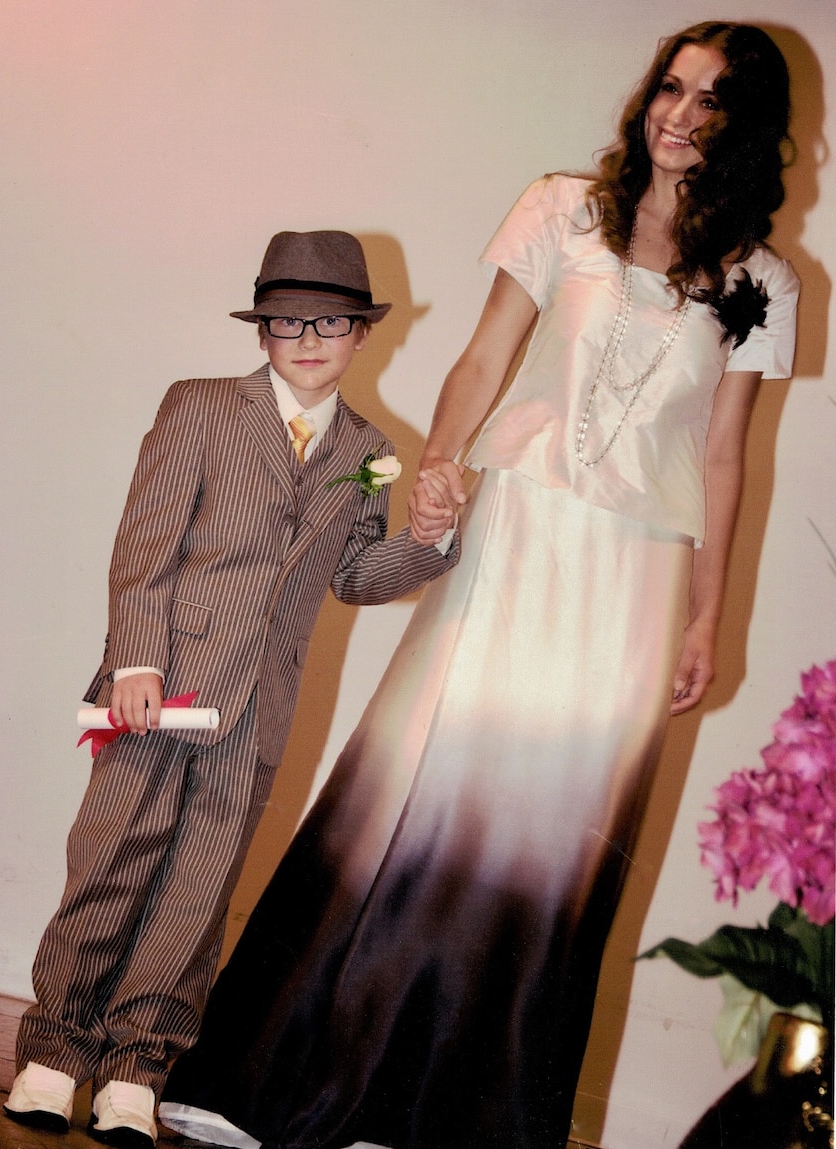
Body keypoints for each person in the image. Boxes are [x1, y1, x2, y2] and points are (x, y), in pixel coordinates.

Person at [159, 21, 800, 1149]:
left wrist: (708, 613)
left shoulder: (763, 283)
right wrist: (442, 466)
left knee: (554, 838)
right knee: (416, 780)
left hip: (639, 581)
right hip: (521, 527)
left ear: (746, 132)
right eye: (670, 86)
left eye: (711, 103)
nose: (678, 116)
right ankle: (274, 1083)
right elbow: (482, 357)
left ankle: (446, 1122)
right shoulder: (562, 209)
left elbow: (722, 455)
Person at [3, 230, 460, 1148]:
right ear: (261, 332)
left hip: (257, 712)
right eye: (288, 321)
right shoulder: (201, 409)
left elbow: (358, 575)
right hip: (157, 690)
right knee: (111, 863)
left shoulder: (370, 449)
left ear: (362, 334)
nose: (309, 338)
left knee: (197, 894)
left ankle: (138, 1068)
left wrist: (428, 536)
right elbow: (146, 542)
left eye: (331, 321)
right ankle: (53, 1053)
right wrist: (135, 659)